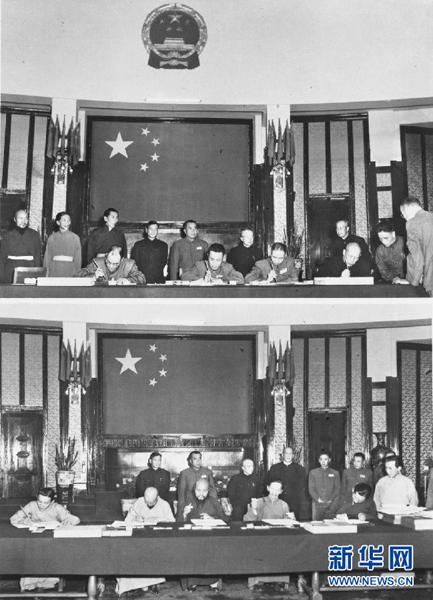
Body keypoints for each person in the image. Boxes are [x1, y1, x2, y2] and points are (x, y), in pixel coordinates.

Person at [10, 487, 80, 592]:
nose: (41, 505)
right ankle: (30, 583)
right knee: (30, 554)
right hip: (34, 540)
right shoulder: (32, 505)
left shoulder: (56, 507)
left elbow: (76, 519)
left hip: (51, 542)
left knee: (49, 555)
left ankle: (48, 582)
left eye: (46, 503)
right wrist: (24, 521)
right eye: (40, 501)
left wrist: (67, 522)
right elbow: (13, 519)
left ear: (52, 502)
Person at [116, 487, 174, 596]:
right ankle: (133, 585)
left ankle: (152, 582)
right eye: (146, 501)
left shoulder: (164, 505)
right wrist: (135, 519)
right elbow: (127, 521)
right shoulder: (139, 502)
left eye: (151, 502)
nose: (148, 504)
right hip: (139, 539)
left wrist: (155, 520)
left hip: (157, 540)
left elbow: (172, 523)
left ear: (157, 498)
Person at [180, 479, 224, 592]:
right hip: (192, 538)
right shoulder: (188, 501)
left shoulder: (214, 501)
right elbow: (178, 522)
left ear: (208, 491)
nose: (201, 493)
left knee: (213, 552)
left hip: (211, 538)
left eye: (204, 491)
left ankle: (213, 582)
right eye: (198, 490)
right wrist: (184, 514)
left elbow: (225, 519)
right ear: (194, 490)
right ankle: (192, 582)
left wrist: (212, 518)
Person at [393, 196, 433, 296]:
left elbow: (416, 258)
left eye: (403, 214)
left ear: (407, 208)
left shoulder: (412, 223)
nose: (404, 217)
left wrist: (411, 281)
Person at [0, 208, 42, 283]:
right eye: (20, 218)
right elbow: (2, 258)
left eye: (26, 218)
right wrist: (1, 278)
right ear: (15, 219)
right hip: (11, 271)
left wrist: (37, 275)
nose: (23, 221)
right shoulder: (7, 235)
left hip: (30, 270)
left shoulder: (34, 235)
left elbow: (38, 257)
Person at [266, 447, 307, 520]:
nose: (288, 455)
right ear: (283, 455)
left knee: (293, 522)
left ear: (293, 455)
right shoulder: (275, 468)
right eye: (286, 453)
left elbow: (302, 486)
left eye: (290, 453)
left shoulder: (300, 469)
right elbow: (269, 483)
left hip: (294, 501)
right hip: (278, 499)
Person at [176, 451, 217, 518]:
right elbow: (181, 494)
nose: (198, 461)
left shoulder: (208, 472)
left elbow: (213, 491)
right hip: (190, 506)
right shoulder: (184, 473)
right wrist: (181, 512)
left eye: (199, 458)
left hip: (205, 506)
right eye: (195, 459)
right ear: (190, 461)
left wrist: (215, 506)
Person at [78, 246, 146, 284]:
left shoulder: (129, 264)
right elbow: (79, 275)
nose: (111, 266)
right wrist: (94, 276)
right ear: (106, 257)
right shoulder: (97, 263)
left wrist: (128, 280)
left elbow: (142, 278)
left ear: (122, 260)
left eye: (115, 264)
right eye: (108, 262)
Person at [43, 211, 82, 277]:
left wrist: (77, 273)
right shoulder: (52, 238)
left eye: (68, 221)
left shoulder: (75, 238)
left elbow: (78, 258)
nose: (66, 223)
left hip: (70, 271)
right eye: (64, 220)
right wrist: (46, 273)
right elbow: (47, 258)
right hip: (54, 271)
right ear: (58, 222)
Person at [308, 451, 341, 520]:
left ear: (329, 460)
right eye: (321, 459)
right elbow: (311, 488)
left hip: (331, 503)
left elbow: (337, 488)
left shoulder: (335, 473)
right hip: (317, 503)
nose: (323, 461)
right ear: (319, 460)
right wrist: (318, 499)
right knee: (317, 523)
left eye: (325, 459)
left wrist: (331, 499)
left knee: (330, 523)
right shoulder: (313, 472)